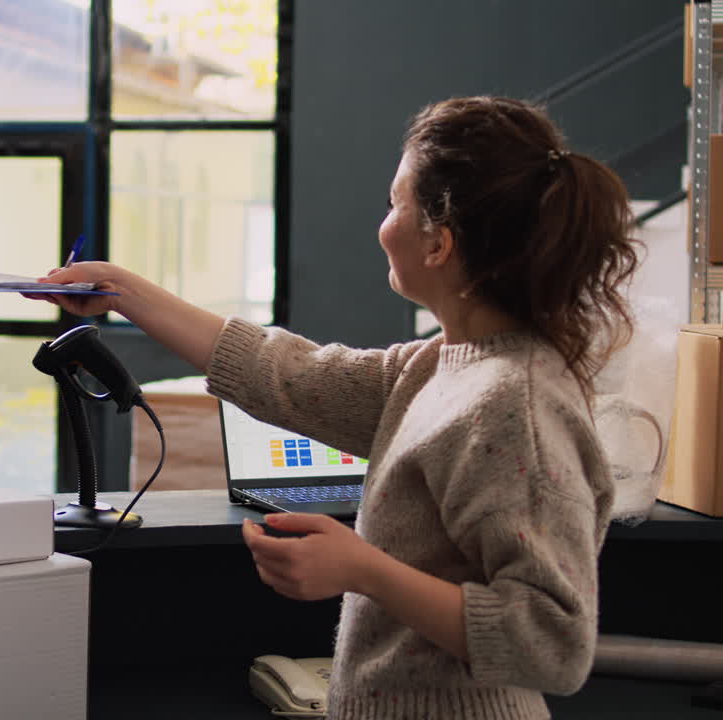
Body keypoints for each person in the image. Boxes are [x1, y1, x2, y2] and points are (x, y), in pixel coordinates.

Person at [31, 96, 639, 719]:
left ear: (439, 243)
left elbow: (553, 645)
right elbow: (291, 376)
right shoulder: (437, 366)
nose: (382, 225)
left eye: (394, 203)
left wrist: (363, 569)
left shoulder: (516, 404)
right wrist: (123, 292)